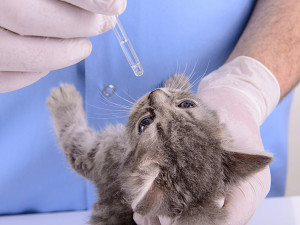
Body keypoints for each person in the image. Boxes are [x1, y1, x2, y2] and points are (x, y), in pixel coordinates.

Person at [0, 0, 299, 224]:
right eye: (183, 105)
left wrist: (249, 85)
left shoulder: (126, 160)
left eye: (146, 122)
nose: (156, 95)